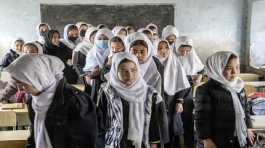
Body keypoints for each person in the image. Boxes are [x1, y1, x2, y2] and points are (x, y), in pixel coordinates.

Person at [5, 54, 97, 148]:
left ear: (38, 78)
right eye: (17, 84)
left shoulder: (76, 101)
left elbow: (86, 142)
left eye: (23, 84)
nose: (20, 89)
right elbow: (34, 136)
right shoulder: (33, 100)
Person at [97, 52, 169, 148]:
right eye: (123, 70)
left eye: (133, 70)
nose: (129, 75)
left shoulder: (149, 94)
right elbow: (100, 119)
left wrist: (153, 143)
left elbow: (153, 121)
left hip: (142, 141)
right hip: (116, 141)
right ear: (114, 71)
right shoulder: (107, 92)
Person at [195, 51, 254, 148]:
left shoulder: (239, 87)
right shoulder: (205, 90)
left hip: (238, 137)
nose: (235, 72)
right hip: (217, 139)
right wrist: (206, 140)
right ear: (216, 69)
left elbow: (245, 109)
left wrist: (248, 128)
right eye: (228, 68)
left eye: (237, 67)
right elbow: (202, 118)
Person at [155, 40, 191, 148]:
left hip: (172, 100)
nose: (163, 50)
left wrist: (179, 101)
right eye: (160, 48)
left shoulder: (174, 62)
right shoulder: (152, 62)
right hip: (157, 100)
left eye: (166, 47)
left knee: (172, 127)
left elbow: (181, 84)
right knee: (159, 128)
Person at [175, 36, 205, 148]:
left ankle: (189, 145)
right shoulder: (172, 58)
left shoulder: (192, 56)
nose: (184, 53)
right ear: (177, 48)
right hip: (174, 93)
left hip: (187, 94)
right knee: (175, 122)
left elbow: (201, 68)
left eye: (187, 50)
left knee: (187, 121)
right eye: (182, 50)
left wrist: (199, 77)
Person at [83, 28, 114, 101]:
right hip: (95, 85)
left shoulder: (114, 52)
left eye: (106, 38)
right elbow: (88, 73)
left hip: (112, 85)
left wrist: (100, 70)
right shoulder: (91, 53)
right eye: (99, 39)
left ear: (111, 39)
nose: (102, 41)